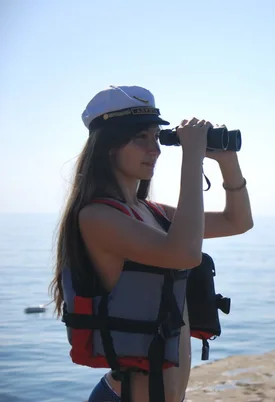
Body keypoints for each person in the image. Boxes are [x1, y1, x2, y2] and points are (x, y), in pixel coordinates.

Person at [48, 85, 253, 402]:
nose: (155, 149)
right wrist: (192, 157)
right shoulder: (97, 217)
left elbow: (237, 222)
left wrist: (227, 160)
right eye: (140, 138)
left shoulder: (152, 213)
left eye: (157, 137)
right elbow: (184, 254)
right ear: (109, 146)